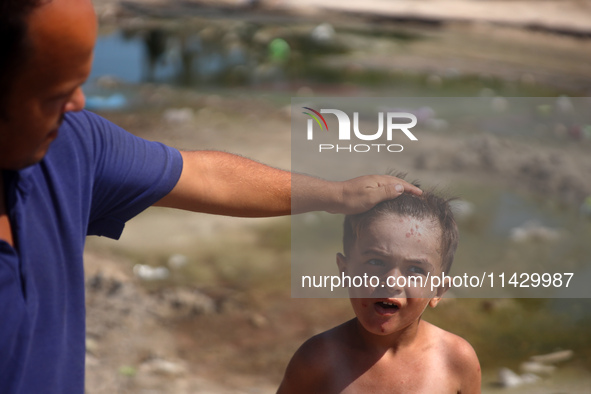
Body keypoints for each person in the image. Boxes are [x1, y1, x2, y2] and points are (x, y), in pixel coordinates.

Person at [0, 0, 423, 392]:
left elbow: (207, 176)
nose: (79, 103)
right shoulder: (316, 361)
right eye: (54, 93)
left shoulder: (71, 147)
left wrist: (337, 194)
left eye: (80, 83)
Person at [277, 183, 481, 393]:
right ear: (345, 272)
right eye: (376, 262)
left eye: (415, 269)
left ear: (438, 291)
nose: (392, 282)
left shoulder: (456, 359)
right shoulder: (317, 359)